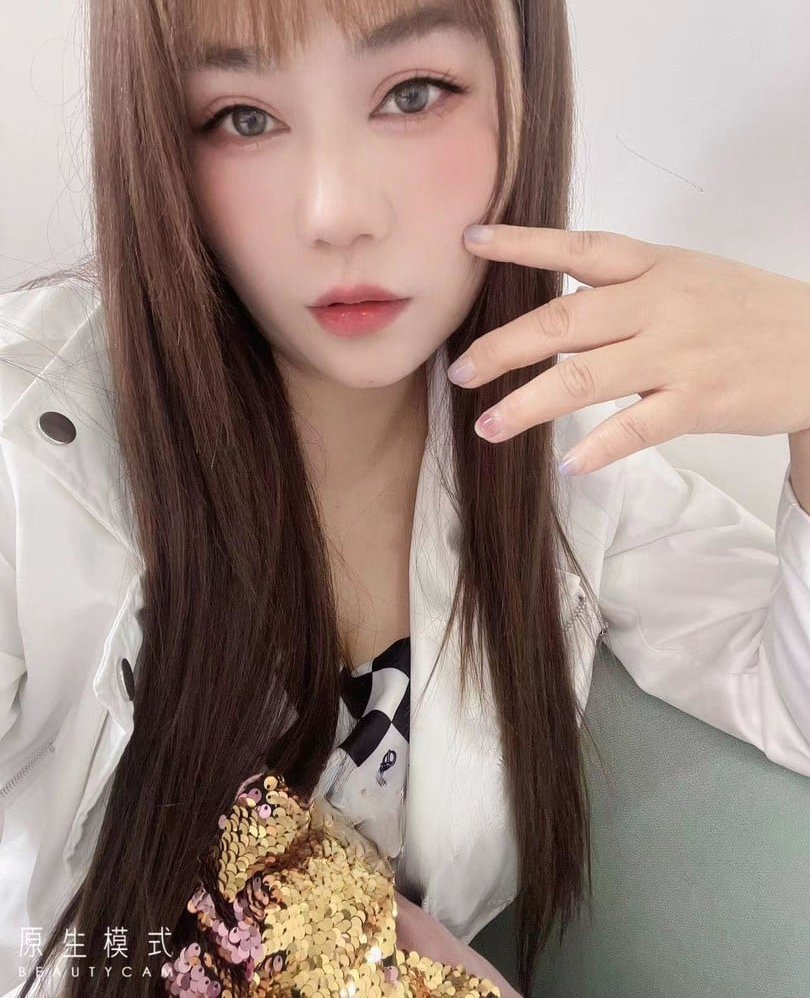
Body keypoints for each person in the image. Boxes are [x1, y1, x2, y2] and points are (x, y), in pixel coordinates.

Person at [1, 0, 809, 995]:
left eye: (414, 94)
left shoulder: (550, 441)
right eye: (244, 117)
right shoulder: (28, 455)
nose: (336, 212)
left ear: (524, 93)